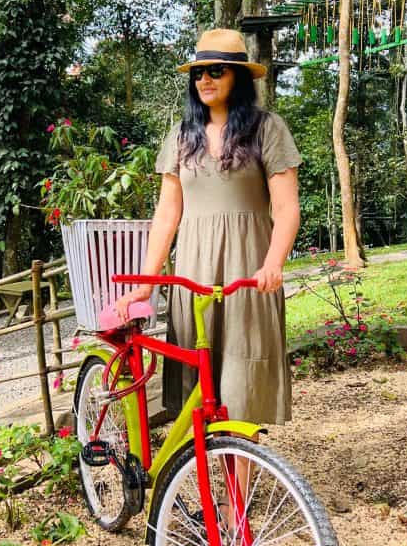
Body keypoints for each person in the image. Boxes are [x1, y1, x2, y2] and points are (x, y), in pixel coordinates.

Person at [114, 28, 301, 428]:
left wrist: (274, 263)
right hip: (192, 273)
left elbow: (286, 208)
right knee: (197, 388)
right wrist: (147, 284)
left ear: (239, 78)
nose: (205, 80)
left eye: (217, 70)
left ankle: (239, 489)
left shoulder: (268, 129)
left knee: (242, 388)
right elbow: (167, 216)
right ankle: (196, 475)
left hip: (249, 272)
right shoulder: (182, 138)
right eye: (199, 72)